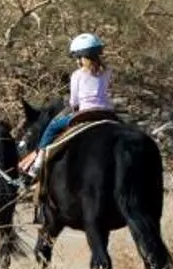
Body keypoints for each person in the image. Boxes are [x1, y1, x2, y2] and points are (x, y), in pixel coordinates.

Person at [24, 34, 116, 173]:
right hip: (106, 113)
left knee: (52, 128)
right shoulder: (108, 71)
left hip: (85, 113)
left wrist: (74, 108)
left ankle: (38, 163)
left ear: (80, 57)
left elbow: (74, 101)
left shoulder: (77, 75)